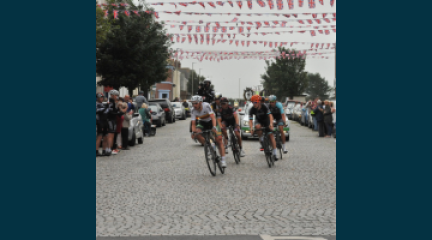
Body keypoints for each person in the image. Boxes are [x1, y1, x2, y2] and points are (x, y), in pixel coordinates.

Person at [190, 96, 227, 168]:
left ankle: (223, 160)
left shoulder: (206, 106)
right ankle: (208, 145)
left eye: (196, 103)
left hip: (212, 121)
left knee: (219, 140)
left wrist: (214, 127)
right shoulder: (193, 110)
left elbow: (213, 117)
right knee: (197, 133)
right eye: (193, 104)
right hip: (203, 122)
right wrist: (193, 132)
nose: (194, 105)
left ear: (200, 103)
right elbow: (193, 123)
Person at [249, 95, 279, 161]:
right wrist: (251, 128)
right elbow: (250, 120)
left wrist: (271, 124)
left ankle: (274, 153)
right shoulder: (252, 109)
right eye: (253, 102)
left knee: (271, 135)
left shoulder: (264, 106)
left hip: (266, 120)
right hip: (259, 121)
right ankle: (262, 140)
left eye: (255, 102)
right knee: (257, 127)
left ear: (259, 101)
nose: (254, 104)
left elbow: (270, 116)